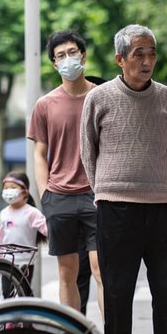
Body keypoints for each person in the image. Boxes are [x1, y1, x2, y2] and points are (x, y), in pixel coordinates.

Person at [80, 23, 167, 334]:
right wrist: (105, 191)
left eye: (152, 53)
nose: (147, 61)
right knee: (117, 291)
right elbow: (87, 151)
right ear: (120, 59)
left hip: (160, 206)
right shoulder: (99, 99)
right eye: (139, 54)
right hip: (115, 208)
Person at [28, 30, 104, 317]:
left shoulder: (102, 96)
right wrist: (45, 193)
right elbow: (39, 153)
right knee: (66, 272)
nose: (68, 59)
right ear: (54, 64)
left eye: (72, 52)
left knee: (101, 271)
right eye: (61, 56)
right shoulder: (45, 105)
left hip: (97, 195)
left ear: (82, 56)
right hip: (59, 197)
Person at [0, 170, 47, 284]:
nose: (8, 191)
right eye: (6, 188)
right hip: (6, 261)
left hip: (26, 262)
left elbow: (47, 229)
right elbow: (1, 236)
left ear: (24, 192)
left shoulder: (32, 212)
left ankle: (29, 302)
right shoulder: (3, 213)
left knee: (24, 292)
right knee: (6, 294)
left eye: (13, 187)